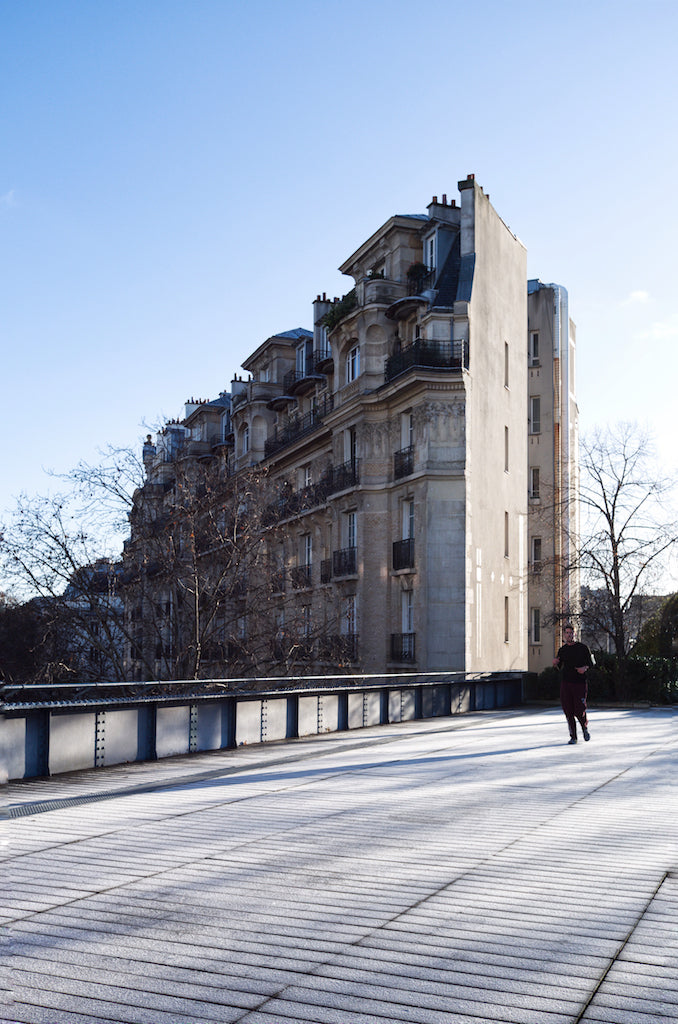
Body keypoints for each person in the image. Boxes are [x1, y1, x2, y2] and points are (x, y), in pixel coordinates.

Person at [553, 624, 593, 744]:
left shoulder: (583, 648)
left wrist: (584, 668)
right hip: (566, 683)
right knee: (568, 711)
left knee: (579, 710)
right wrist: (555, 663)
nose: (569, 635)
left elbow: (592, 663)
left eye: (571, 633)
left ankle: (584, 728)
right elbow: (558, 667)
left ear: (574, 634)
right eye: (567, 633)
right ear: (564, 635)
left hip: (579, 683)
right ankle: (573, 736)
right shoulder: (562, 650)